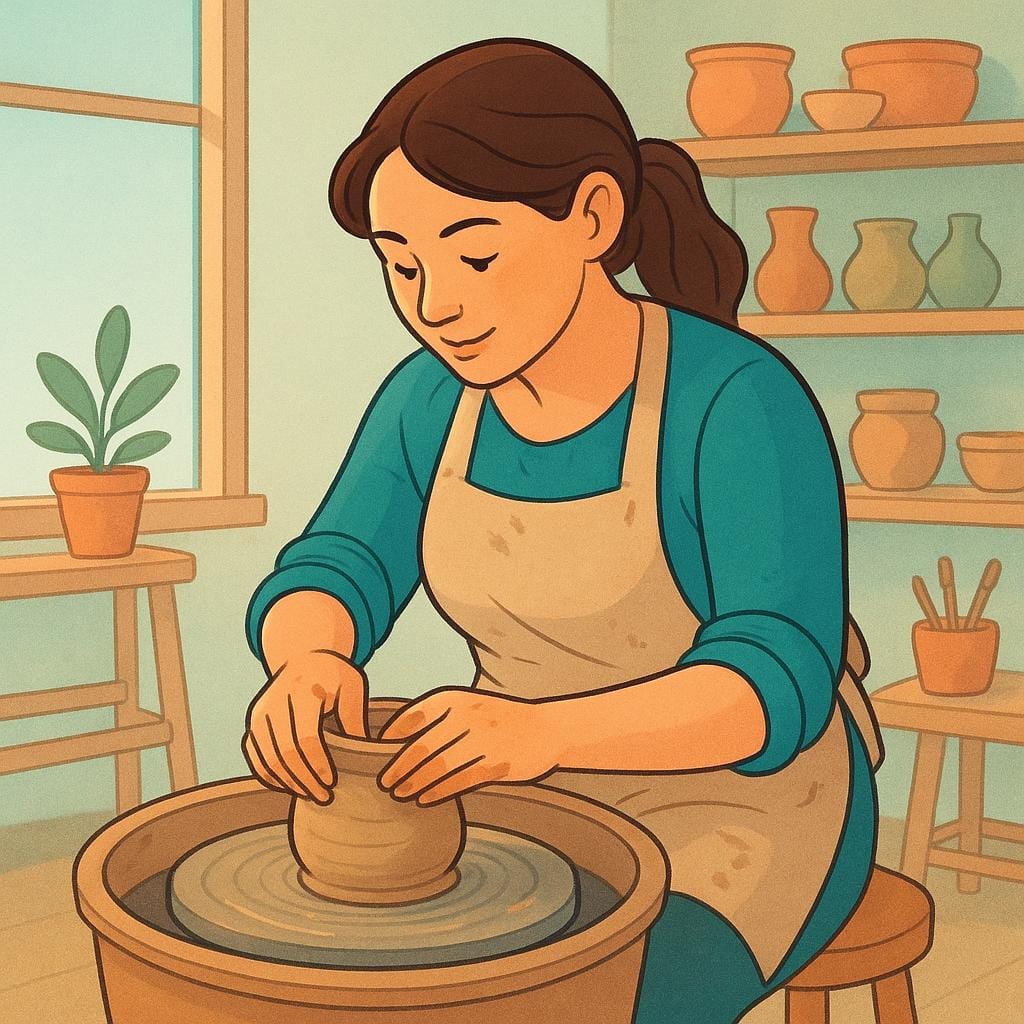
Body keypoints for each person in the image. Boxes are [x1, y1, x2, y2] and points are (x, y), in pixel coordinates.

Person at [243, 38, 881, 1023]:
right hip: (520, 789)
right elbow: (338, 562)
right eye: (400, 265)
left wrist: (541, 732)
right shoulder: (429, 400)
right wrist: (309, 658)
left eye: (475, 253)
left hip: (744, 810)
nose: (434, 304)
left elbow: (772, 684)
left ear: (592, 215)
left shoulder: (735, 401)